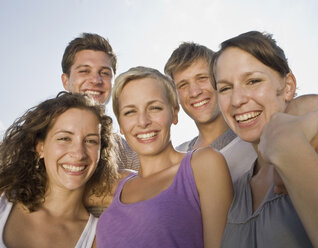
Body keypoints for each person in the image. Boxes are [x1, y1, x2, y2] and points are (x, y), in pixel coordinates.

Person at [210, 31, 318, 247]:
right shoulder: (237, 187)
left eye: (253, 81)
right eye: (225, 88)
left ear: (287, 87)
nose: (237, 100)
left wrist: (292, 152)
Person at [95, 66, 233, 248]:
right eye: (130, 112)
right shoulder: (118, 183)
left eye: (154, 108)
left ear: (174, 113)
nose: (143, 121)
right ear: (121, 125)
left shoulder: (202, 164)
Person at [0, 92, 119, 248]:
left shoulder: (100, 239)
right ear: (40, 147)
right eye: (64, 138)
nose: (79, 153)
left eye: (91, 141)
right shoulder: (3, 199)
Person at [164, 42, 257, 182]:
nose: (194, 92)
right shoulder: (174, 158)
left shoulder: (254, 144)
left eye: (202, 78)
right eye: (183, 85)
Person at [61, 32, 139, 171]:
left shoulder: (126, 152)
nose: (96, 80)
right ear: (66, 81)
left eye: (104, 73)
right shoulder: (39, 135)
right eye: (84, 71)